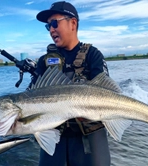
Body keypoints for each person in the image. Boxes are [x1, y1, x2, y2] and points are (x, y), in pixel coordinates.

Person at [22, 1, 111, 166]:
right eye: (48, 26)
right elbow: (29, 99)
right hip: (54, 133)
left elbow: (105, 91)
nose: (51, 29)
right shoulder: (44, 61)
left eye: (55, 23)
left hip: (89, 135)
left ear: (73, 23)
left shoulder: (93, 55)